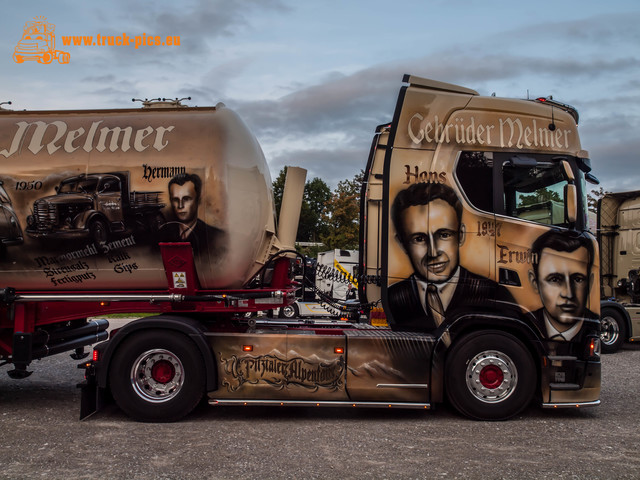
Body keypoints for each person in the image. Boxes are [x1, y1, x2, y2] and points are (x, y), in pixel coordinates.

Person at [388, 182, 515, 332]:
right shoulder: (392, 298)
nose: (433, 253)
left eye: (444, 235)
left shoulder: (494, 293)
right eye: (419, 239)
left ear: (461, 235)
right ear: (402, 244)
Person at [528, 229, 596, 341]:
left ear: (591, 282)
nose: (568, 294)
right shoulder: (526, 322)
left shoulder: (592, 325)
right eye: (555, 279)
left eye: (578, 279)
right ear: (535, 282)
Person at [160, 173, 227, 259]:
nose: (180, 205)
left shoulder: (217, 238)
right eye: (175, 200)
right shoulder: (161, 236)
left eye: (186, 199)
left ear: (198, 201)